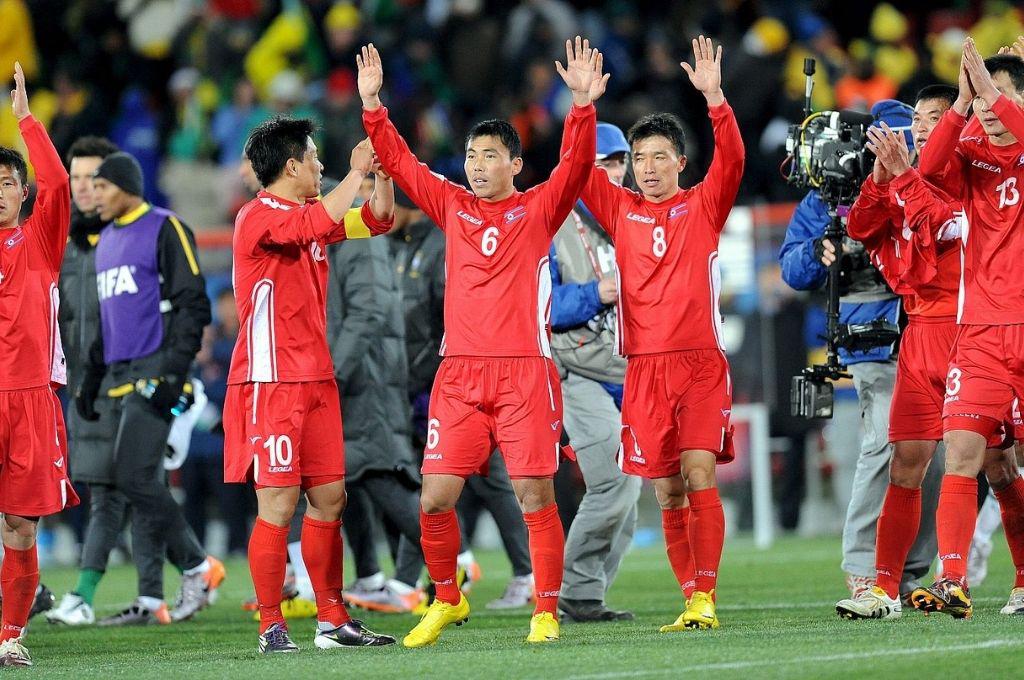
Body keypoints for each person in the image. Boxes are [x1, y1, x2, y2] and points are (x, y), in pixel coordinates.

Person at [358, 37, 599, 645]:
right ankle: (447, 600)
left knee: (532, 492)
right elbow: (406, 165)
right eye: (471, 154)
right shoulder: (453, 207)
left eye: (489, 155)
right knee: (435, 499)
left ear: (515, 164)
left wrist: (579, 106)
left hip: (523, 372)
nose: (476, 164)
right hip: (460, 375)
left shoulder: (539, 210)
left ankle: (545, 608)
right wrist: (372, 106)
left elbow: (574, 166)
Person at [577, 36, 744, 631]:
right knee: (668, 493)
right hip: (644, 368)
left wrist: (715, 97)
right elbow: (575, 171)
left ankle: (707, 596)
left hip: (699, 363)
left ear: (680, 162)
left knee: (699, 474)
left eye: (657, 158)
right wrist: (582, 104)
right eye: (638, 159)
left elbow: (735, 161)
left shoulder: (703, 206)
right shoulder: (619, 210)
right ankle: (690, 597)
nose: (646, 169)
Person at [223, 120, 396, 653]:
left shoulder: (309, 218)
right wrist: (357, 170)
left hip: (317, 378)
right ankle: (271, 626)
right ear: (292, 166)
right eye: (315, 159)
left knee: (330, 499)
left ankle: (332, 621)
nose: (321, 167)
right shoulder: (258, 217)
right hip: (271, 380)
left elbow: (377, 220)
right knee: (278, 503)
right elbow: (318, 220)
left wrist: (381, 177)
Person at [779, 99, 935, 600]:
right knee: (885, 442)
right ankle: (863, 563)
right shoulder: (830, 195)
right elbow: (793, 270)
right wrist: (816, 251)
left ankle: (909, 569)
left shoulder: (926, 181)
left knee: (938, 451)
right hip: (871, 334)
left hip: (927, 332)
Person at [73, 150, 224, 625]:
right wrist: (92, 378)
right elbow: (106, 319)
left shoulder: (164, 226)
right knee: (138, 482)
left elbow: (194, 304)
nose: (93, 195)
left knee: (135, 478)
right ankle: (162, 591)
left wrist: (175, 375)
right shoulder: (105, 241)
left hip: (156, 372)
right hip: (118, 378)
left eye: (101, 186)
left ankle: (199, 567)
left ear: (126, 186)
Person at [832, 87, 960, 619]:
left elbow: (937, 222)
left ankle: (989, 579)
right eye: (919, 119)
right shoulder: (901, 178)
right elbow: (860, 227)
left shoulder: (966, 179)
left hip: (974, 330)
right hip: (918, 336)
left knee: (996, 463)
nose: (924, 127)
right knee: (905, 461)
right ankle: (884, 589)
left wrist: (902, 175)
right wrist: (882, 178)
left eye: (937, 118)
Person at [913, 41, 1024, 618]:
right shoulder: (974, 150)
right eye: (983, 93)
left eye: (998, 93)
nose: (988, 105)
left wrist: (991, 93)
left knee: (1012, 466)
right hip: (981, 331)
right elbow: (928, 171)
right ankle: (952, 579)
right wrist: (959, 104)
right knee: (964, 453)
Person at [385, 189, 536, 612]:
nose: (378, 210)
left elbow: (443, 317)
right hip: (420, 383)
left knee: (495, 481)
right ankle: (444, 568)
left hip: (453, 378)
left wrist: (436, 374)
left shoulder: (442, 241)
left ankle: (526, 574)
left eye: (388, 203)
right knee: (431, 484)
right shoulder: (397, 245)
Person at [0, 61, 78, 668]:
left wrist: (27, 121)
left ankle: (10, 637)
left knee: (21, 530)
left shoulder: (41, 239)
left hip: (29, 399)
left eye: (6, 182)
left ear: (21, 192)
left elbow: (57, 184)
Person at [549, 122, 641, 622]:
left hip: (629, 369)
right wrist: (594, 293)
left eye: (617, 162)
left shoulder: (634, 216)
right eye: (601, 163)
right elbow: (537, 305)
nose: (612, 172)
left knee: (631, 489)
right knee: (615, 481)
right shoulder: (553, 220)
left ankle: (585, 595)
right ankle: (565, 587)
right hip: (575, 367)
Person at [324, 171, 427, 615]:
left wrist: (333, 373)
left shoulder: (356, 232)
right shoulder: (332, 235)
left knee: (379, 473)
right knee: (351, 479)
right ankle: (369, 576)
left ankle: (451, 562)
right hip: (350, 375)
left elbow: (366, 312)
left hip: (364, 380)